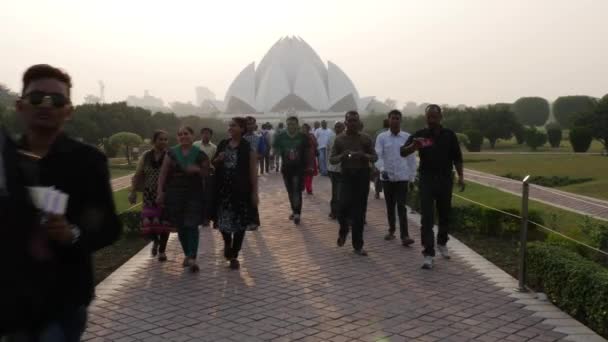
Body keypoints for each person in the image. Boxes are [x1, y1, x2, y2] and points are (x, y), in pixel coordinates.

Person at [6, 64, 122, 340]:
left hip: (63, 297)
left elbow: (108, 227)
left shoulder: (87, 161)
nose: (46, 105)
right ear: (20, 106)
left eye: (56, 100)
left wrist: (72, 233)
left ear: (69, 110)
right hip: (11, 299)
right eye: (36, 98)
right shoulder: (6, 160)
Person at [401, 104, 465, 270]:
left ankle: (442, 242)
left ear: (440, 117)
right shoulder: (420, 136)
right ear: (425, 118)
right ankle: (428, 253)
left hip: (445, 179)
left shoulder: (449, 135)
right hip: (427, 179)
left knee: (444, 214)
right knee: (427, 218)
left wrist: (461, 176)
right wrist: (413, 147)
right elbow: (403, 152)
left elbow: (457, 157)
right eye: (429, 117)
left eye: (434, 117)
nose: (431, 120)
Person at [157, 126, 209, 273]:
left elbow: (207, 173)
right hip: (175, 194)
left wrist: (198, 170)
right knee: (180, 226)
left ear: (192, 136)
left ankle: (192, 257)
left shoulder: (200, 154)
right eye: (180, 134)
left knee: (191, 225)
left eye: (186, 134)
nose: (183, 136)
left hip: (194, 194)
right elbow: (163, 174)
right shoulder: (171, 153)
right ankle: (187, 254)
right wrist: (160, 191)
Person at [212, 117, 259, 269]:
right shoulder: (223, 144)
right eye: (229, 125)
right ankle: (227, 242)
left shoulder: (248, 148)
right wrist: (218, 159)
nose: (230, 128)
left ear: (242, 129)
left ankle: (235, 253)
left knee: (240, 223)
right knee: (223, 221)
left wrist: (254, 192)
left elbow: (253, 172)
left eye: (234, 125)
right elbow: (213, 164)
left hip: (241, 191)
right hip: (223, 190)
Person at [330, 111, 377, 256]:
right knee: (342, 207)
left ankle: (358, 245)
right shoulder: (339, 139)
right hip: (346, 175)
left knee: (360, 212)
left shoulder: (366, 138)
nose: (352, 123)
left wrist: (364, 155)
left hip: (362, 175)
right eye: (350, 121)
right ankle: (343, 230)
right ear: (345, 123)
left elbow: (375, 157)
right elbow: (332, 159)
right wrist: (342, 156)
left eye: (355, 121)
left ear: (359, 122)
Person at [129, 130, 172, 261]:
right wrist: (133, 191)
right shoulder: (146, 156)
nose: (164, 142)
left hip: (165, 194)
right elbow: (138, 174)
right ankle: (155, 241)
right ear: (154, 141)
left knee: (165, 223)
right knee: (149, 223)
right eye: (161, 139)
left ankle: (162, 250)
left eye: (165, 139)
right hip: (148, 194)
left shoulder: (170, 155)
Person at [375, 110, 416, 247]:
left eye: (398, 118)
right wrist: (382, 169)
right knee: (390, 205)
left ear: (401, 120)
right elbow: (378, 156)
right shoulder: (382, 137)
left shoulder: (407, 137)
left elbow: (411, 159)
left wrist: (412, 177)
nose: (395, 120)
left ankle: (405, 235)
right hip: (387, 177)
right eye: (393, 118)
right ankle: (391, 230)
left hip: (402, 177)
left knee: (401, 206)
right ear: (388, 120)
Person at [273, 116, 313, 225]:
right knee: (290, 191)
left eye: (293, 123)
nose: (291, 126)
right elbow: (275, 149)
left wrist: (310, 165)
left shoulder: (303, 137)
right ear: (286, 125)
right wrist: (276, 153)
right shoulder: (281, 137)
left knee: (296, 190)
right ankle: (294, 209)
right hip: (286, 168)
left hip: (299, 168)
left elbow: (309, 151)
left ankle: (297, 213)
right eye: (289, 124)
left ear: (297, 125)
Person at [193, 127, 217, 227]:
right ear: (201, 134)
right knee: (197, 195)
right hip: (196, 173)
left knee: (207, 196)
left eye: (208, 133)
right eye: (204, 133)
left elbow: (214, 161)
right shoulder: (195, 145)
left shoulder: (214, 147)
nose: (206, 135)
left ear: (211, 135)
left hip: (208, 173)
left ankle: (206, 218)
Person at [243, 116, 262, 229]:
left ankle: (254, 221)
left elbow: (262, 152)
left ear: (255, 125)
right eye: (247, 124)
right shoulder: (241, 138)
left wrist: (254, 157)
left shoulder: (259, 138)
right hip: (241, 170)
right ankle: (246, 220)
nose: (249, 126)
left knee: (252, 194)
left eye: (251, 124)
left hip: (253, 169)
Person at [327, 121, 345, 220]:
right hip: (333, 169)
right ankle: (334, 212)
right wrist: (327, 166)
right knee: (335, 192)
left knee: (342, 192)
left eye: (340, 127)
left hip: (343, 168)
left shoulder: (346, 138)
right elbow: (328, 152)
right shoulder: (331, 138)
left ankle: (340, 211)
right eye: (336, 127)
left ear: (343, 127)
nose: (338, 129)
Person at [373, 119, 390, 199]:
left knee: (378, 175)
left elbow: (374, 145)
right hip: (387, 157)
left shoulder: (378, 132)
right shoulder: (391, 132)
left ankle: (377, 193)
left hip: (380, 157)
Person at [301, 123, 318, 195]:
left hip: (310, 157)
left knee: (309, 173)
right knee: (303, 173)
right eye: (303, 128)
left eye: (305, 128)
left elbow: (316, 144)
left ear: (308, 129)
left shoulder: (311, 136)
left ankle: (309, 188)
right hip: (302, 157)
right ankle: (304, 185)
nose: (303, 129)